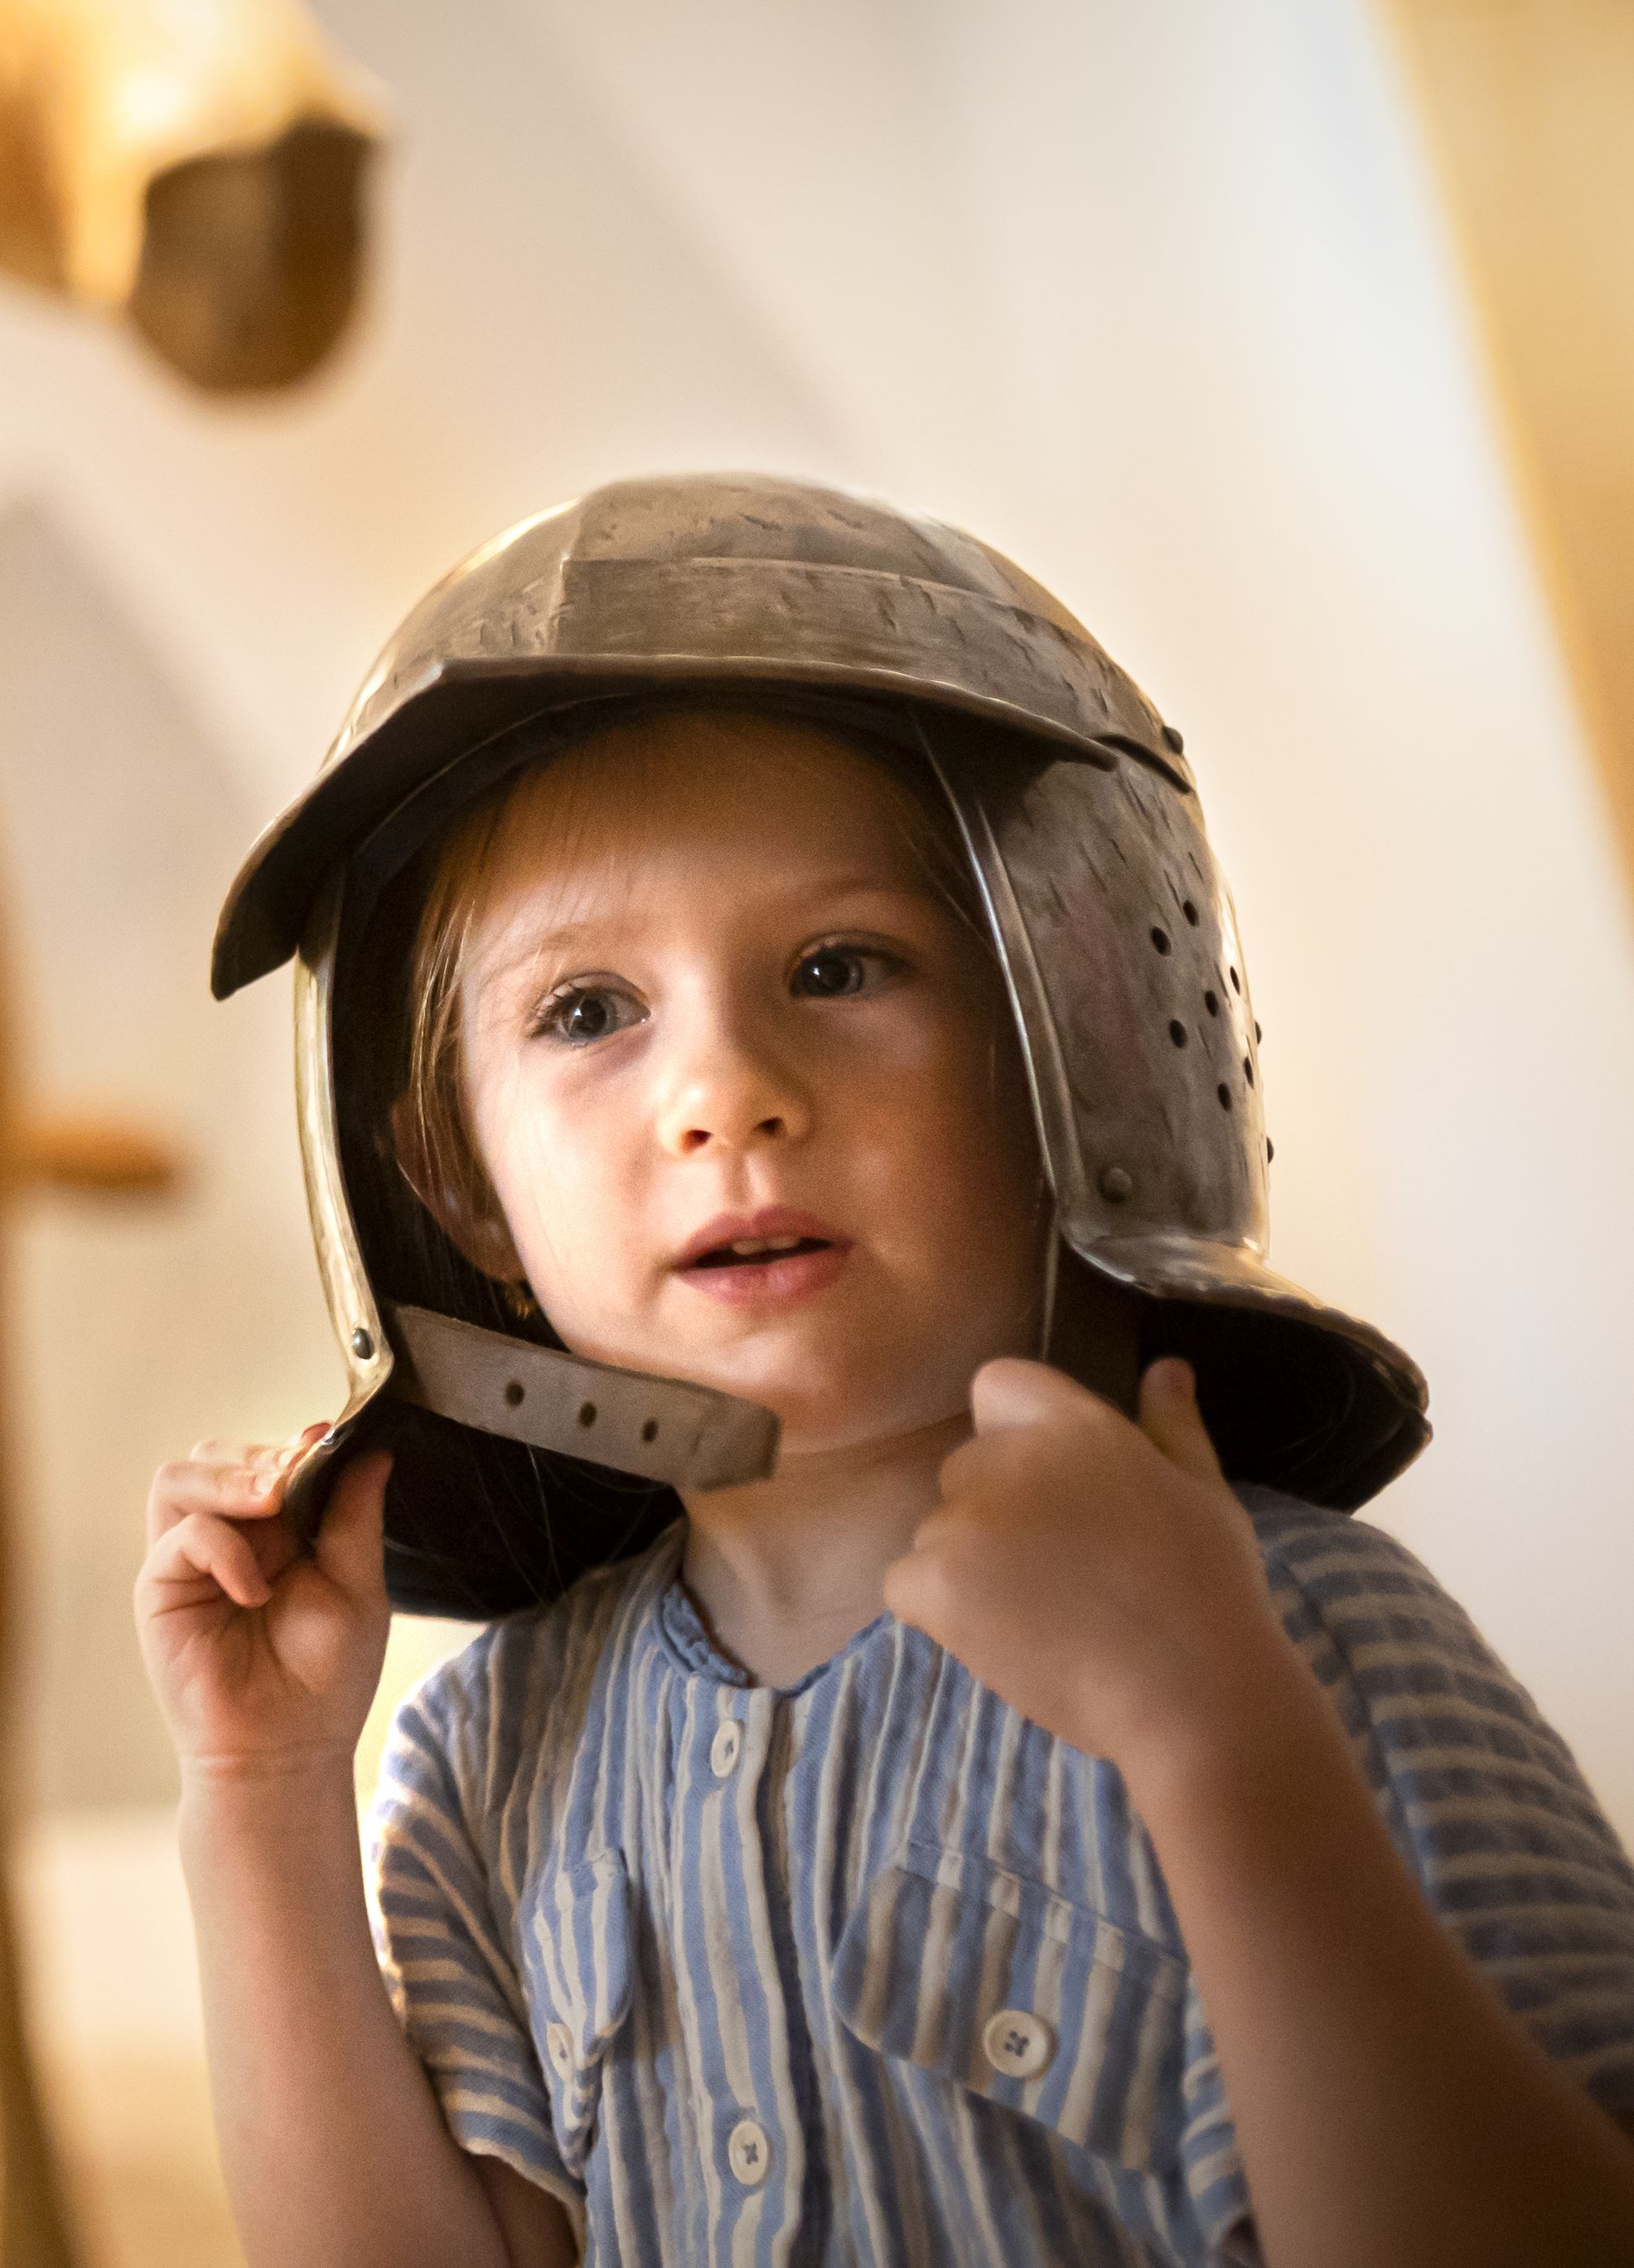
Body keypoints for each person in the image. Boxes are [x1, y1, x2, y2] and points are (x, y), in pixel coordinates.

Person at [138, 476, 1634, 2264]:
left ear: (1070, 1046)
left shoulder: (1309, 1634)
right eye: (587, 1010)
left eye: (839, 965)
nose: (726, 1091)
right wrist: (260, 1803)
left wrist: (1215, 1731)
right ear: (454, 1180)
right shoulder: (482, 1761)